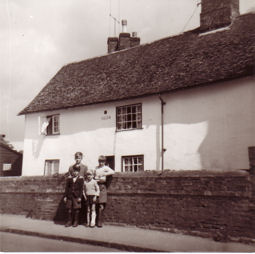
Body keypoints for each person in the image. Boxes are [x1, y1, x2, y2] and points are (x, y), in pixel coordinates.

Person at [94, 155, 115, 227]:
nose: (101, 163)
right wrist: (97, 178)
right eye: (100, 161)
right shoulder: (96, 168)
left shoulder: (105, 167)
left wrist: (104, 174)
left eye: (102, 162)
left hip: (102, 186)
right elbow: (94, 177)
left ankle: (99, 222)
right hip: (96, 186)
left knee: (101, 205)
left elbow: (113, 172)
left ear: (104, 162)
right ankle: (93, 221)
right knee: (94, 204)